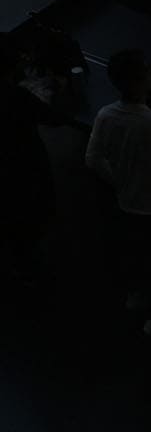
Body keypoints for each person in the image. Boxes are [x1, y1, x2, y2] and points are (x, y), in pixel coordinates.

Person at [85, 48, 151, 335]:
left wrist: (119, 181)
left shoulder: (105, 116)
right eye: (147, 72)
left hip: (127, 202)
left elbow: (92, 158)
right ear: (138, 81)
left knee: (139, 251)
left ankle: (139, 295)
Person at [0, 32, 67, 282]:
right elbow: (55, 118)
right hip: (22, 164)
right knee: (25, 214)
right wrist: (55, 90)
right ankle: (28, 267)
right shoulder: (16, 97)